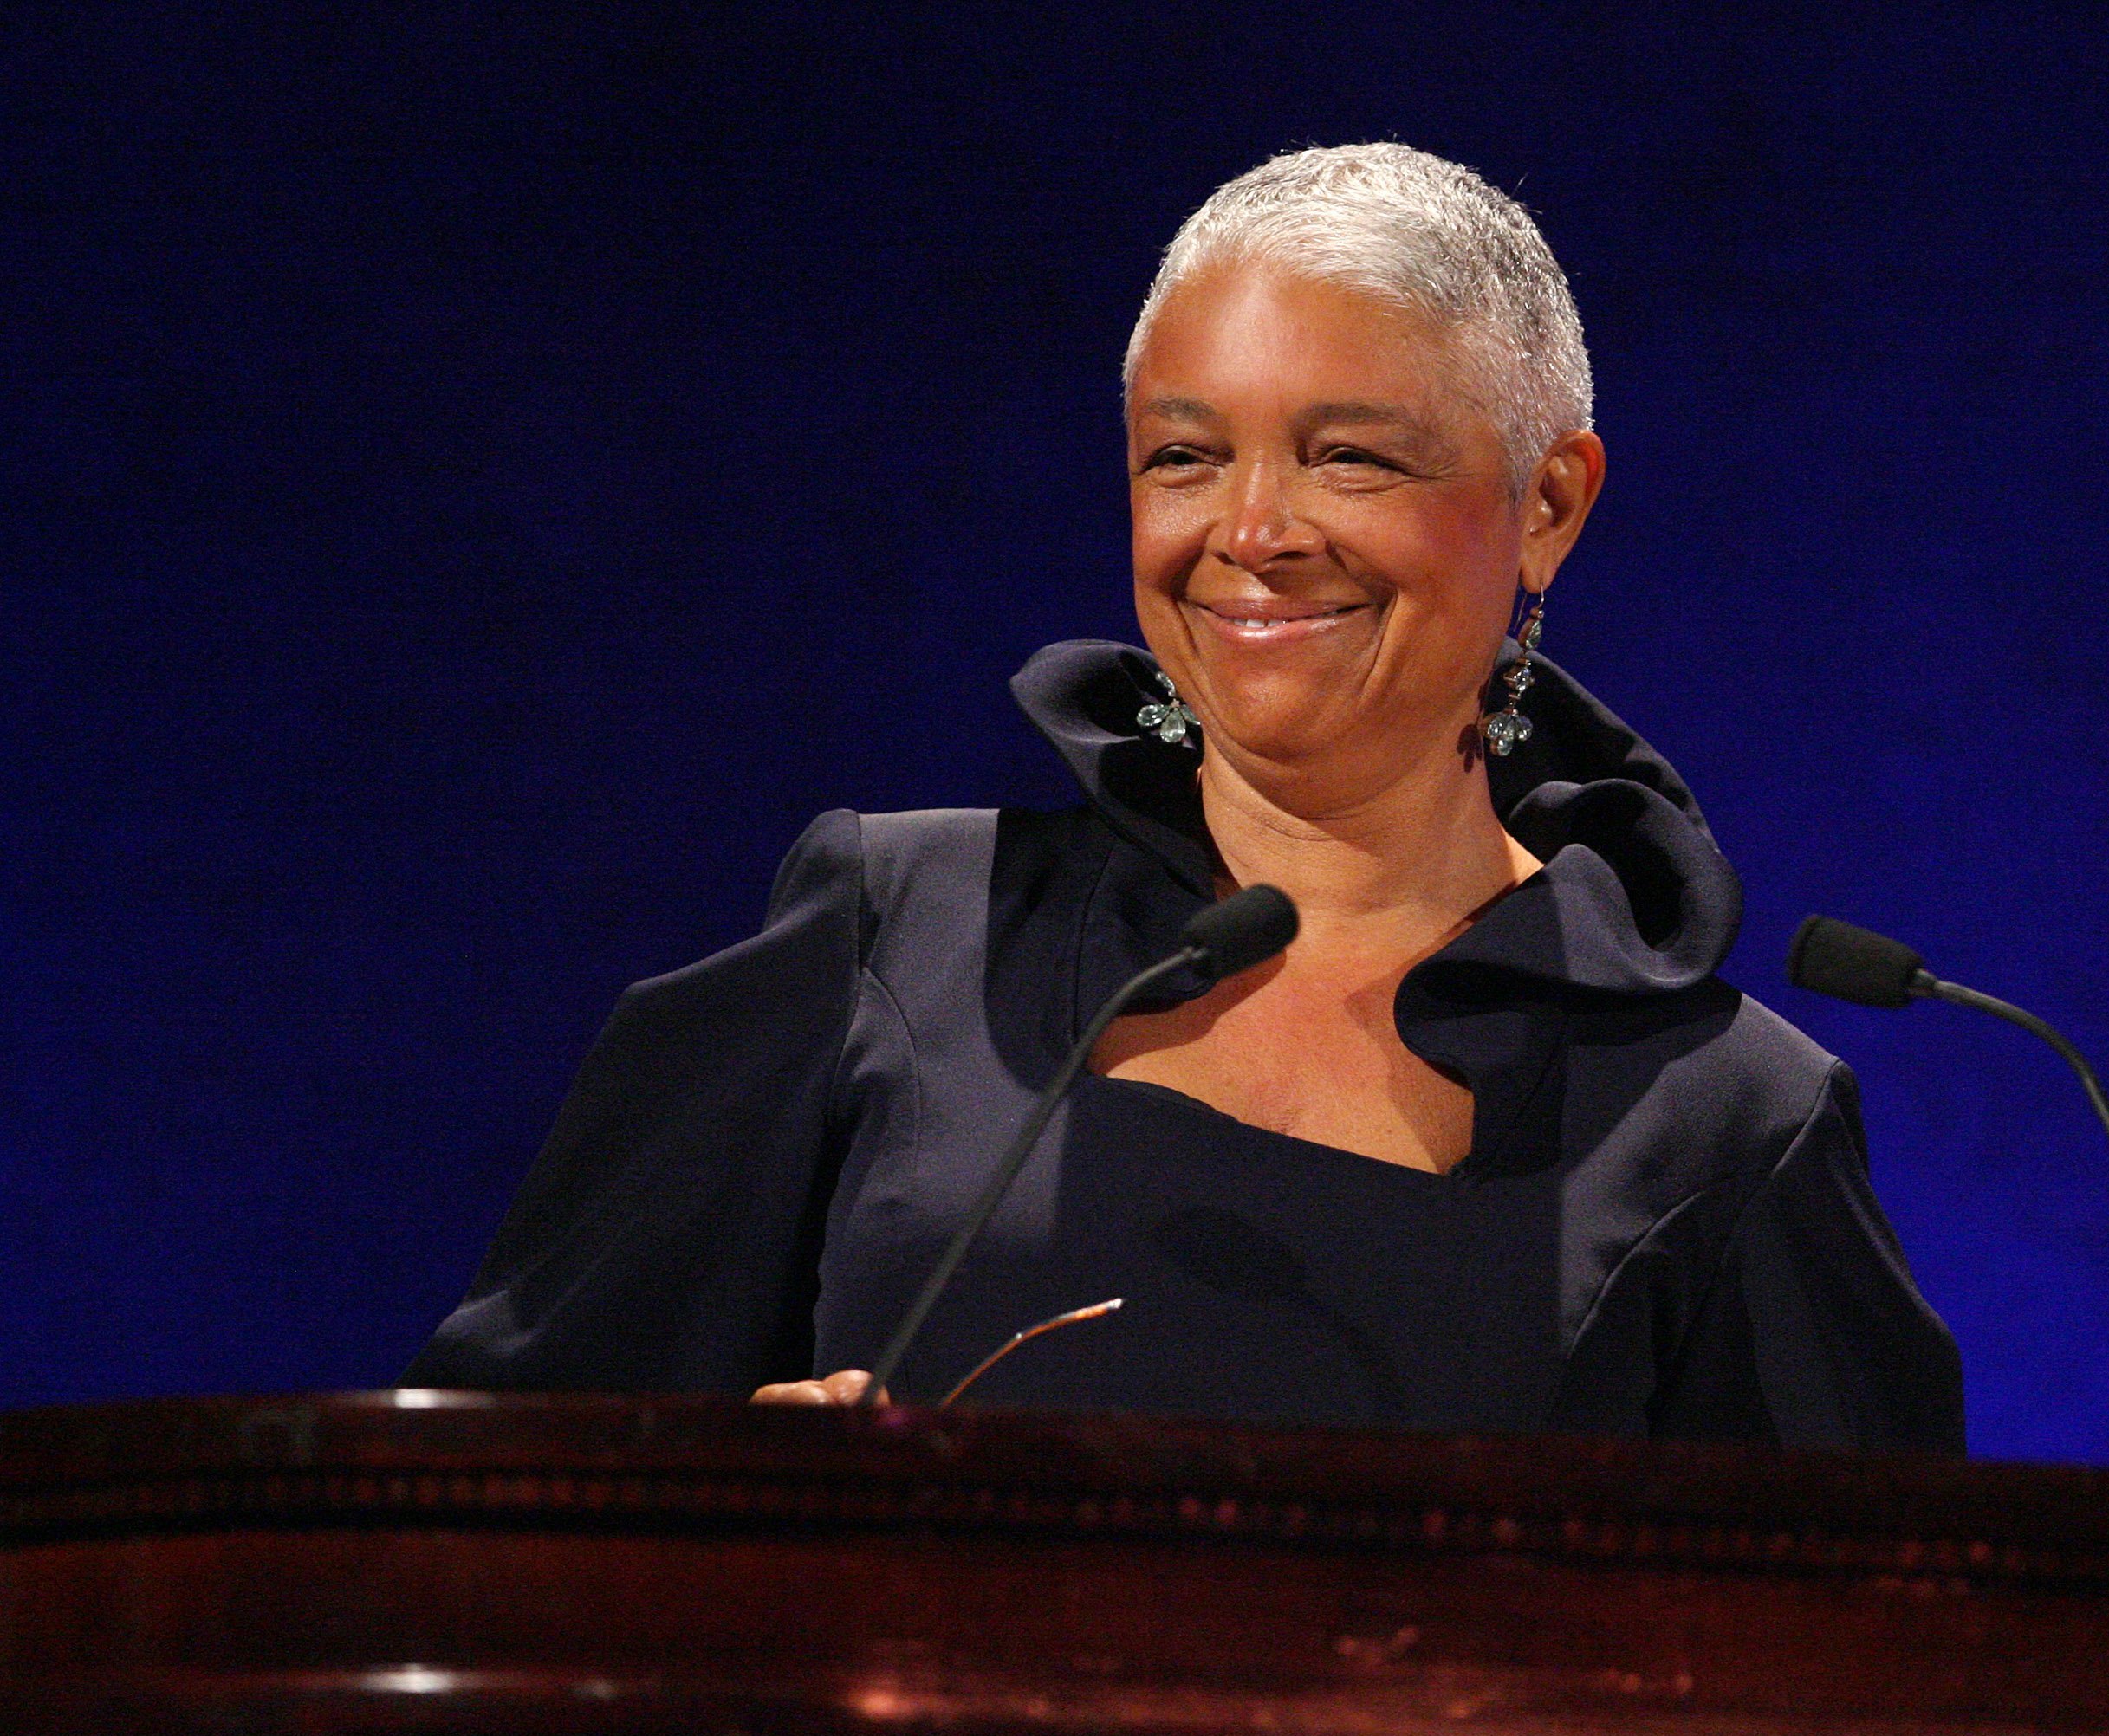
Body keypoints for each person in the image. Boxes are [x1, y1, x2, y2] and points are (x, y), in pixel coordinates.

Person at [404, 145, 1963, 1451]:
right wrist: (741, 1511)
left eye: (1350, 457)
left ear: (1548, 502)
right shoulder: (895, 930)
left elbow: (1874, 1653)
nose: (1254, 529)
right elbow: (481, 1506)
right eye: (1184, 455)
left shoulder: (1724, 1116)